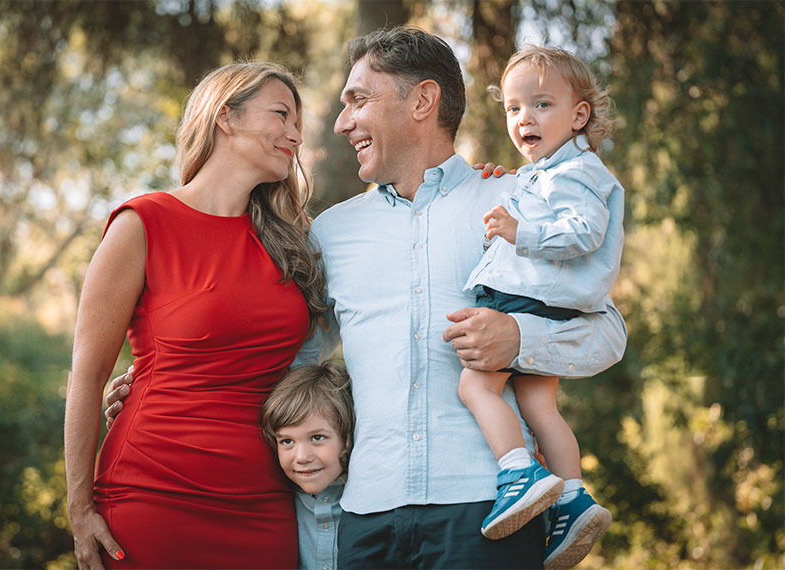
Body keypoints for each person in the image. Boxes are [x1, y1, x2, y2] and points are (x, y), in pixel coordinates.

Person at [106, 26, 627, 569]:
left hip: (488, 510)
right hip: (364, 521)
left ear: (423, 100)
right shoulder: (330, 234)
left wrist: (520, 337)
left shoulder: (513, 202)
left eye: (358, 99)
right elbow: (292, 359)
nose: (340, 123)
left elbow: (606, 331)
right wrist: (164, 386)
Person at [64, 62, 328, 569]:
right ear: (225, 117)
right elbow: (88, 373)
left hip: (264, 500)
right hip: (153, 492)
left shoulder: (294, 243)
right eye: (281, 115)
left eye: (298, 122)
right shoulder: (142, 223)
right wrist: (79, 508)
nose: (295, 136)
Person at [458, 45, 621, 569]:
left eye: (542, 105)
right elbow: (546, 197)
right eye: (513, 108)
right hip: (549, 301)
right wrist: (508, 182)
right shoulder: (552, 170)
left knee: (475, 385)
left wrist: (518, 230)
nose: (524, 117)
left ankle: (517, 471)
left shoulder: (573, 172)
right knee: (538, 405)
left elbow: (583, 230)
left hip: (527, 294)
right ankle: (572, 498)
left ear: (579, 115)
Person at [260, 360, 354, 570]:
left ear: (346, 435)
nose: (301, 457)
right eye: (287, 441)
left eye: (317, 437)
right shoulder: (279, 503)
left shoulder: (368, 501)